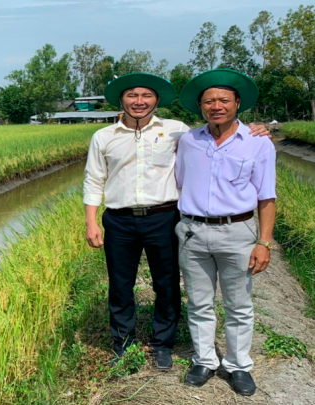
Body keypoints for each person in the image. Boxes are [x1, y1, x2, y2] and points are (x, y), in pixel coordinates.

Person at [83, 72, 269, 371]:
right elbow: (94, 180)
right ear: (122, 100)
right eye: (132, 95)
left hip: (164, 218)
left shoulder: (177, 131)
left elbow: (219, 133)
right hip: (118, 220)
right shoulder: (103, 136)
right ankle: (123, 344)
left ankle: (162, 344)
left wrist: (254, 131)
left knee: (166, 284)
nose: (139, 101)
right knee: (120, 285)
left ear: (156, 100)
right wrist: (91, 222)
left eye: (146, 96)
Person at [174, 69, 276, 396]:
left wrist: (263, 242)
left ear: (236, 104)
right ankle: (204, 359)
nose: (216, 106)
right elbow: (178, 182)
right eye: (209, 101)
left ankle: (237, 364)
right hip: (192, 232)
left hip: (238, 232)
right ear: (200, 107)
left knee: (238, 303)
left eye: (223, 100)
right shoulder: (188, 141)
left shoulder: (258, 143)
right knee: (199, 302)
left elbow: (266, 196)